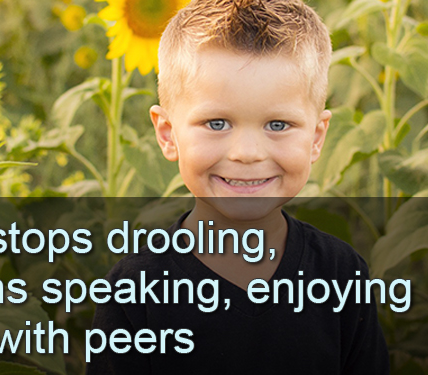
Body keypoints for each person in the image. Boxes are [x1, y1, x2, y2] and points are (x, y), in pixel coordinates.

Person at [87, 0, 390, 373]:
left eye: (278, 125)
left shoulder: (341, 275)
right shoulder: (134, 291)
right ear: (168, 135)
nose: (247, 153)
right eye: (217, 123)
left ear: (316, 137)